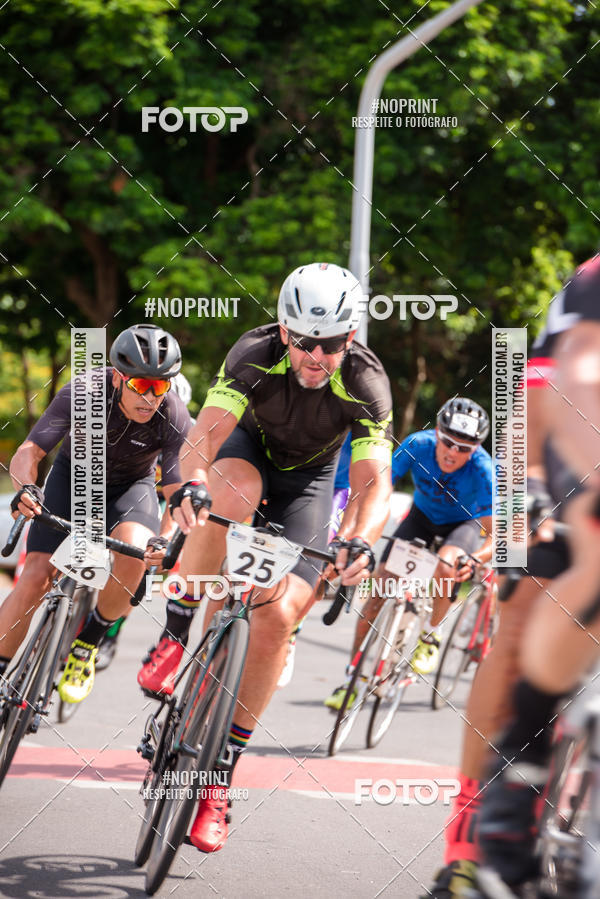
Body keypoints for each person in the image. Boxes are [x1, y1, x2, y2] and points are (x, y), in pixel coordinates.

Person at [138, 261, 394, 853]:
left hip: (308, 485)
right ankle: (177, 632)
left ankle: (216, 780)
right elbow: (203, 435)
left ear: (349, 339)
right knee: (227, 497)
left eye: (331, 344)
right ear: (284, 332)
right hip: (246, 453)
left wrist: (359, 538)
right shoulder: (252, 352)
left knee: (275, 620)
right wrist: (188, 483)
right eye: (305, 341)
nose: (317, 355)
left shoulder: (366, 381)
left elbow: (372, 483)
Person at [474, 255, 600, 894]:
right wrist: (528, 490)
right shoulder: (596, 279)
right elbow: (566, 381)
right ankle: (487, 819)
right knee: (527, 607)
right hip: (569, 432)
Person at [0, 324, 191, 704]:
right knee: (36, 575)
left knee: (136, 553)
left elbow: (174, 490)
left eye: (161, 386)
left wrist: (163, 539)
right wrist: (26, 487)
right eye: (142, 386)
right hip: (74, 478)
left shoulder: (173, 414)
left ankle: (87, 644)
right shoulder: (84, 391)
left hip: (130, 488)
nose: (151, 397)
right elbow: (30, 452)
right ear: (119, 377)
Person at [325, 397, 493, 712]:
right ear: (438, 434)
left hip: (463, 524)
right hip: (422, 518)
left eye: (464, 448)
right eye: (448, 442)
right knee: (377, 592)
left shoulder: (483, 470)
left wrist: (475, 559)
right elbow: (380, 488)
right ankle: (352, 680)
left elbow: (494, 534)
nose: (453, 453)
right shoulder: (417, 444)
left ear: (476, 449)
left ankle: (431, 635)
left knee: (447, 565)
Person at [95, 372, 195, 671]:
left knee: (141, 568)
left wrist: (162, 538)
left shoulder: (179, 431)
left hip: (160, 500)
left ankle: (112, 631)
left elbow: (178, 497)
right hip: (127, 488)